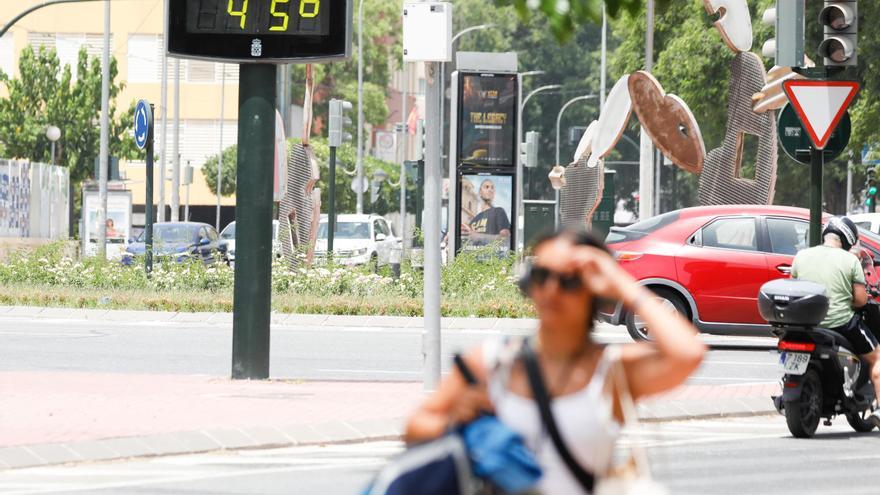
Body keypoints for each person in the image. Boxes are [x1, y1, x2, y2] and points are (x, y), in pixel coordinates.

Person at [405, 229, 706, 494]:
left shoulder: (612, 370)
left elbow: (688, 353)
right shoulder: (494, 361)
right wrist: (459, 423)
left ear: (595, 289)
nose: (552, 289)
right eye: (542, 275)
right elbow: (416, 427)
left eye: (569, 280)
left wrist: (623, 285)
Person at [791, 216, 880, 427]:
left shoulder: (801, 256)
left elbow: (796, 287)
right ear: (848, 239)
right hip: (840, 323)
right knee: (877, 358)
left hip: (807, 323)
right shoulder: (850, 261)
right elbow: (859, 301)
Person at [460, 179, 511, 247]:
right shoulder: (474, 220)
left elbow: (505, 238)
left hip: (492, 256)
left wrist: (479, 236)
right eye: (486, 187)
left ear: (494, 193)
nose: (490, 189)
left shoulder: (499, 211)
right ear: (480, 192)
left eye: (492, 188)